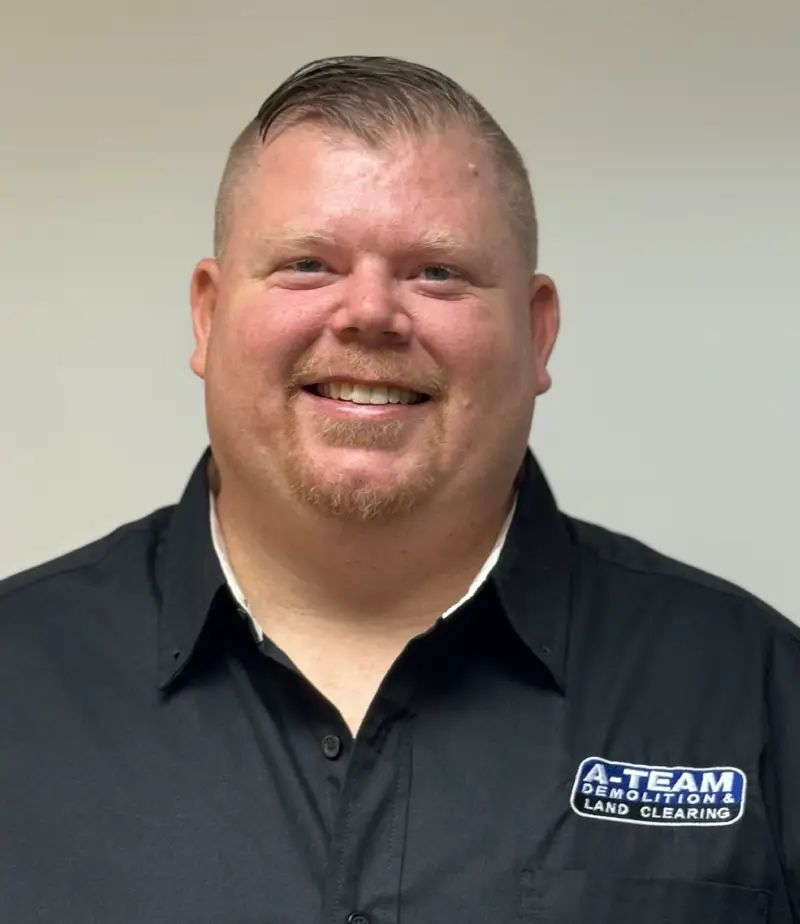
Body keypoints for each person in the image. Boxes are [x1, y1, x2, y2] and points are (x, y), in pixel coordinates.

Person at [0, 55, 797, 924]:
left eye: (437, 272)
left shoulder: (757, 695)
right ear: (207, 313)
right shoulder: (19, 679)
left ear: (538, 334)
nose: (370, 314)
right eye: (309, 264)